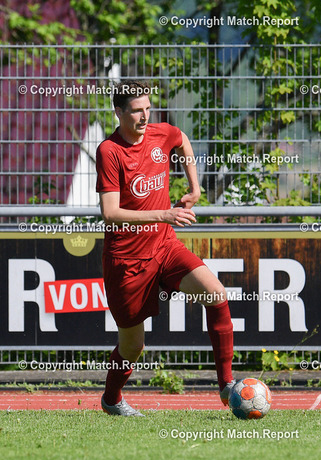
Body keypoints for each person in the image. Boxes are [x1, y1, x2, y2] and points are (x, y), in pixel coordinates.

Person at [95, 80, 234, 416]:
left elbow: (182, 140)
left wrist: (195, 187)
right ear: (119, 112)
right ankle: (111, 399)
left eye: (148, 108)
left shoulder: (159, 133)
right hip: (126, 260)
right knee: (133, 346)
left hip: (164, 245)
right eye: (136, 111)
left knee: (216, 293)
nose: (145, 117)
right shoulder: (109, 151)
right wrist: (165, 214)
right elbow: (110, 213)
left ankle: (227, 386)